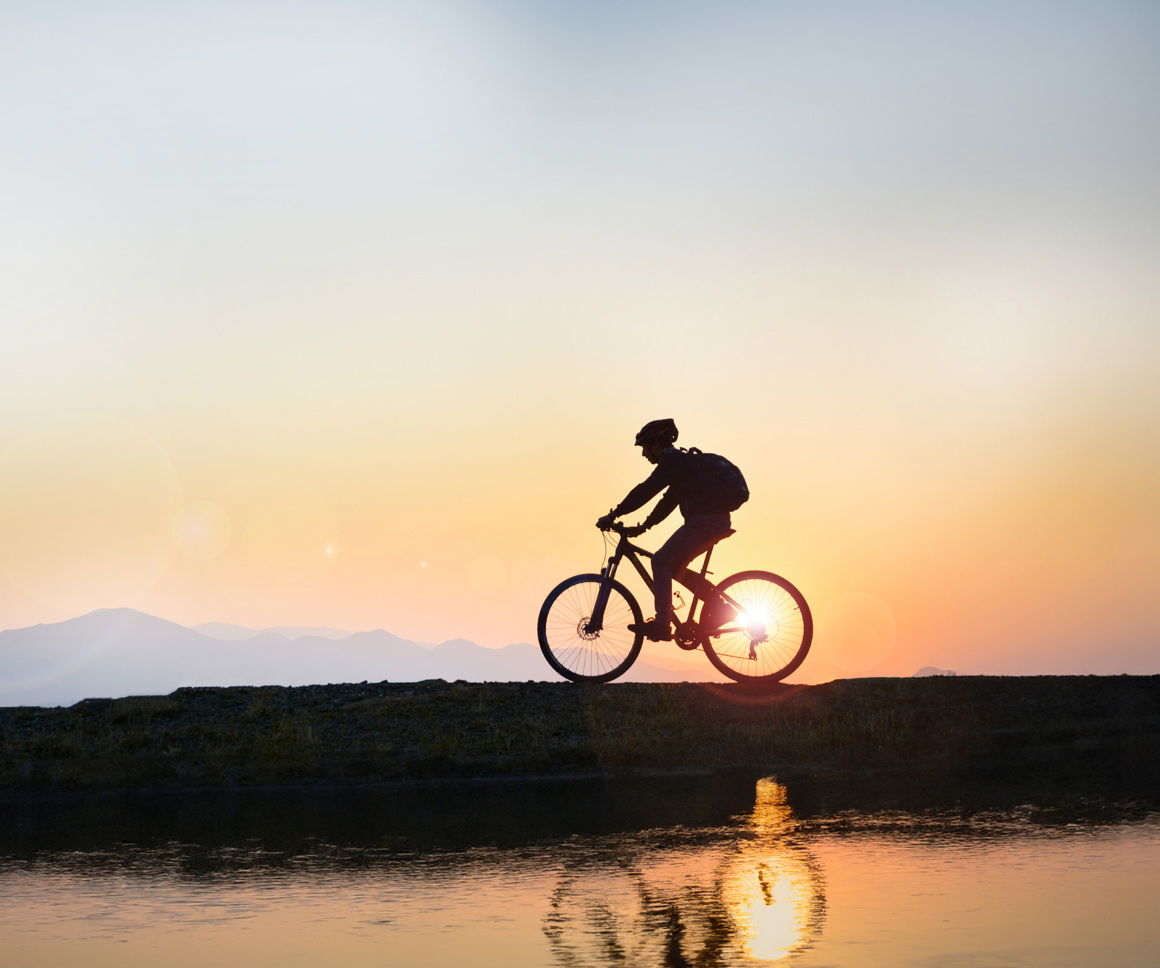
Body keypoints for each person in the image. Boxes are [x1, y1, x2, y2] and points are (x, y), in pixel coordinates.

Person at [596, 418, 737, 642]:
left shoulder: (672, 462)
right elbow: (667, 502)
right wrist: (643, 527)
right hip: (712, 522)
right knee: (672, 567)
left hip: (705, 523)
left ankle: (662, 624)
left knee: (660, 561)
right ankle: (720, 608)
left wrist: (614, 514)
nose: (644, 454)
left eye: (644, 447)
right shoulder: (680, 465)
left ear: (656, 444)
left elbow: (646, 490)